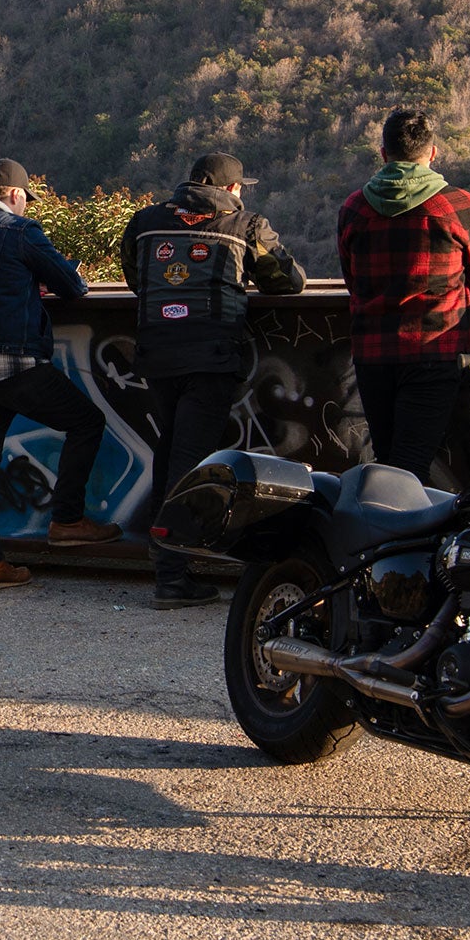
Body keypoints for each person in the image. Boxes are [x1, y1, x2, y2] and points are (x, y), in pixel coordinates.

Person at [117, 153, 304, 609]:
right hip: (211, 357)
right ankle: (171, 576)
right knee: (189, 464)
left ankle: (163, 558)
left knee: (170, 450)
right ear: (232, 188)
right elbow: (288, 281)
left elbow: (136, 278)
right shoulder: (246, 225)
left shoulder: (146, 223)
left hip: (157, 354)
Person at [0, 159, 123, 591]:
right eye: (26, 200)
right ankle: (67, 521)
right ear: (16, 194)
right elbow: (73, 286)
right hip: (14, 364)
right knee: (86, 422)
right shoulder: (19, 231)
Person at [337, 109, 470, 485]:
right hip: (434, 349)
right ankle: (401, 521)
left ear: (383, 153)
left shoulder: (354, 208)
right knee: (411, 463)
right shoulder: (458, 206)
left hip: (372, 354)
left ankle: (379, 518)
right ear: (433, 153)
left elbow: (352, 280)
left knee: (387, 457)